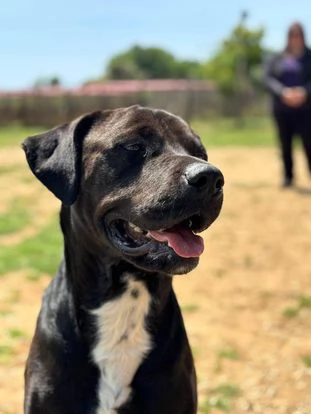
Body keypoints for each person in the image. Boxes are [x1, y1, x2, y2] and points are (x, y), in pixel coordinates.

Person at [264, 22, 311, 188]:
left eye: (298, 34)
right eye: (293, 34)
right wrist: (283, 92)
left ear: (303, 36)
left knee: (309, 143)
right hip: (283, 109)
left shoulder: (309, 56)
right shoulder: (277, 58)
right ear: (288, 37)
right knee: (285, 144)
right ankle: (288, 177)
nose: (295, 38)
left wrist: (304, 91)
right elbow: (268, 79)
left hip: (306, 110)